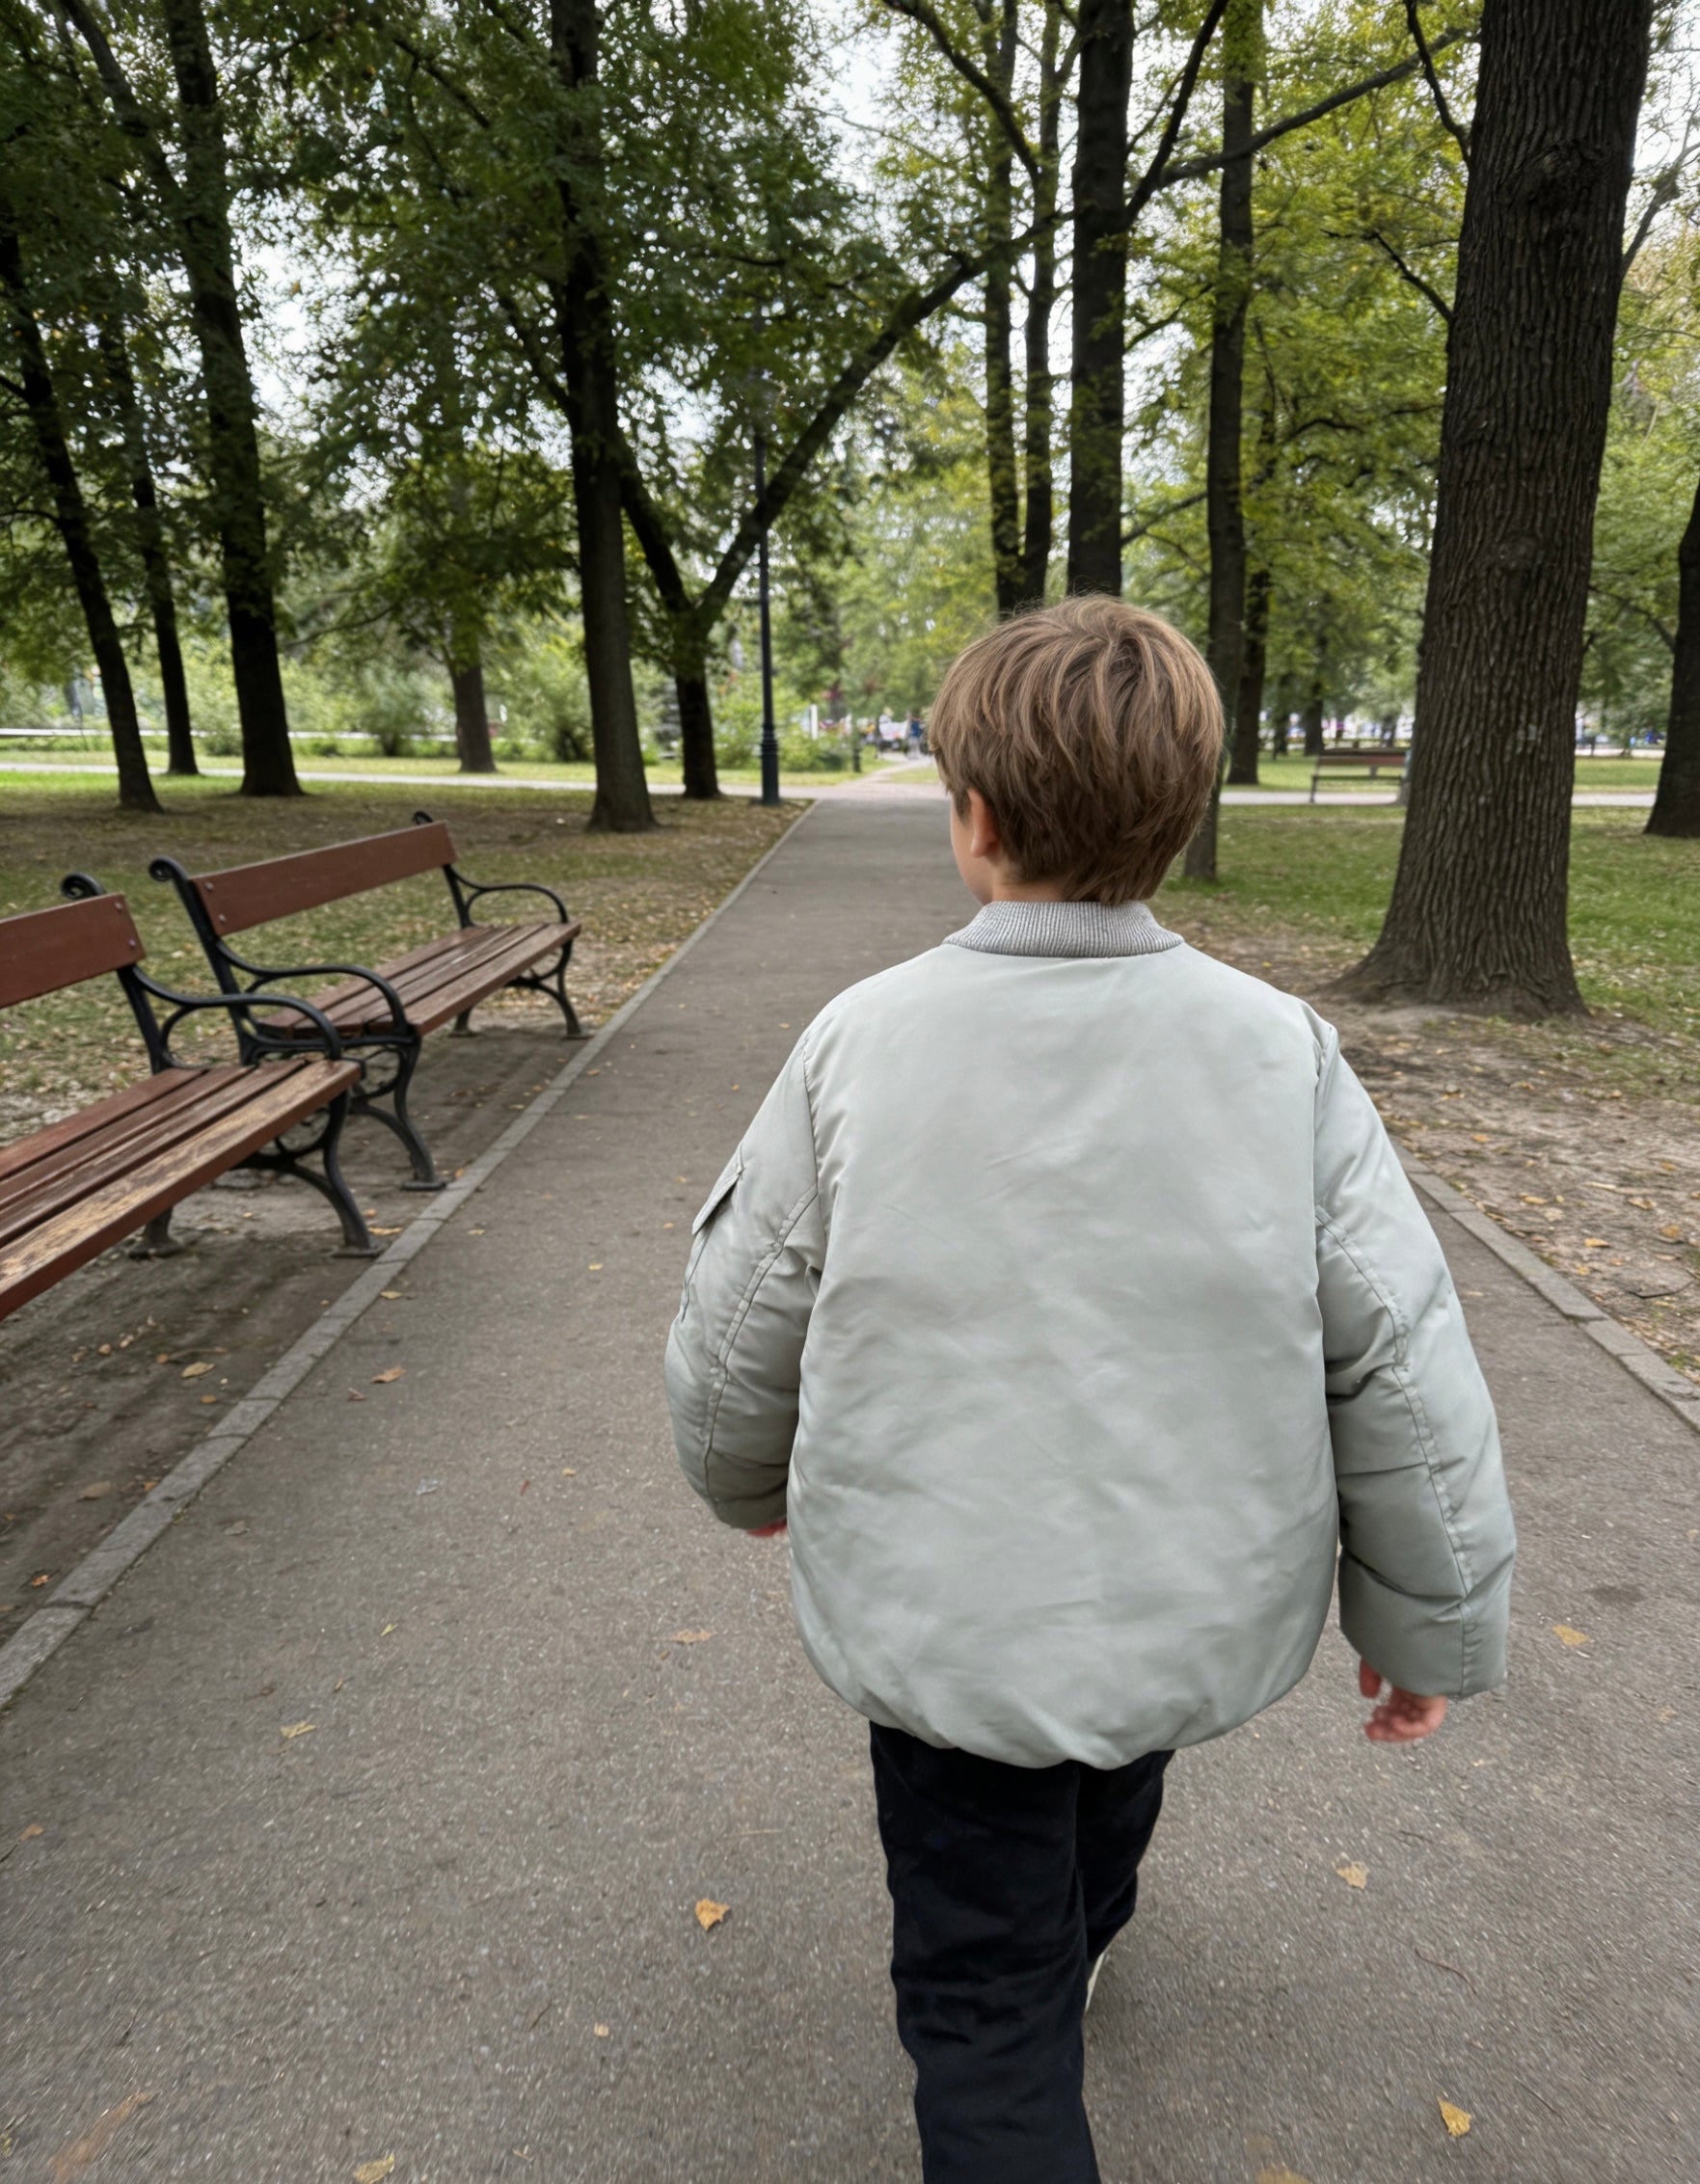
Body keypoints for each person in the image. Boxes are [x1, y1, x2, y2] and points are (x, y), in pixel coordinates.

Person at [664, 596, 1514, 2183]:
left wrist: (743, 1476)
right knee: (1113, 1761)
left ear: (973, 818)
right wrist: (1426, 1625)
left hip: (945, 1609)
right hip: (1176, 1582)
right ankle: (1088, 1924)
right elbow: (1396, 1353)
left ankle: (1036, 1973)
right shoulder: (1282, 1054)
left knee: (981, 1995)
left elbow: (739, 1312)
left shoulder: (864, 1042)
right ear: (1182, 817)